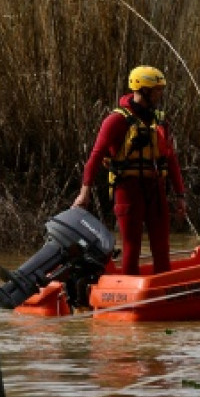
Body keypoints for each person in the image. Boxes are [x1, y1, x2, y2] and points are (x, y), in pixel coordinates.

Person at [73, 66, 186, 275]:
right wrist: (84, 192)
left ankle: (165, 294)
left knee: (161, 247)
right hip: (128, 190)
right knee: (131, 247)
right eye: (156, 90)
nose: (160, 94)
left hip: (156, 190)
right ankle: (129, 295)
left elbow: (171, 160)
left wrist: (180, 195)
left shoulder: (160, 120)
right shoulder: (116, 120)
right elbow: (95, 156)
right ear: (142, 90)